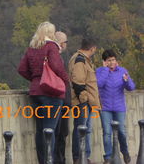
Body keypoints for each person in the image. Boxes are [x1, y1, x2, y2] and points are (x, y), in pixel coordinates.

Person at [18, 21, 70, 164]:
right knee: (50, 130)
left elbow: (22, 69)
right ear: (50, 33)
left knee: (40, 130)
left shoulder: (32, 48)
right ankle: (49, 160)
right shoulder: (51, 47)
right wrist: (66, 80)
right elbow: (57, 67)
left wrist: (36, 78)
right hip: (51, 93)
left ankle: (42, 160)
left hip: (36, 93)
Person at [96, 49, 135, 164]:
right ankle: (107, 157)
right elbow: (99, 84)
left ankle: (125, 152)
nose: (112, 62)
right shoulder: (100, 71)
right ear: (104, 61)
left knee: (121, 131)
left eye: (113, 60)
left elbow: (131, 87)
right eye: (109, 60)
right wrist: (105, 70)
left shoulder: (122, 70)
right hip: (105, 108)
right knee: (107, 132)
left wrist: (126, 81)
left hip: (119, 108)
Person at [69, 37, 100, 164]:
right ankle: (79, 157)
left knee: (85, 130)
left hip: (86, 101)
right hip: (82, 102)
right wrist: (85, 99)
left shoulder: (82, 59)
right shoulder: (80, 60)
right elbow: (78, 82)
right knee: (80, 129)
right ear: (92, 48)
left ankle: (85, 156)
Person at [54, 31, 70, 164]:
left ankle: (60, 159)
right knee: (60, 133)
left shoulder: (57, 58)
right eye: (65, 42)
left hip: (62, 100)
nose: (66, 44)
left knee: (62, 133)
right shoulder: (56, 58)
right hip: (61, 100)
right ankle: (59, 160)